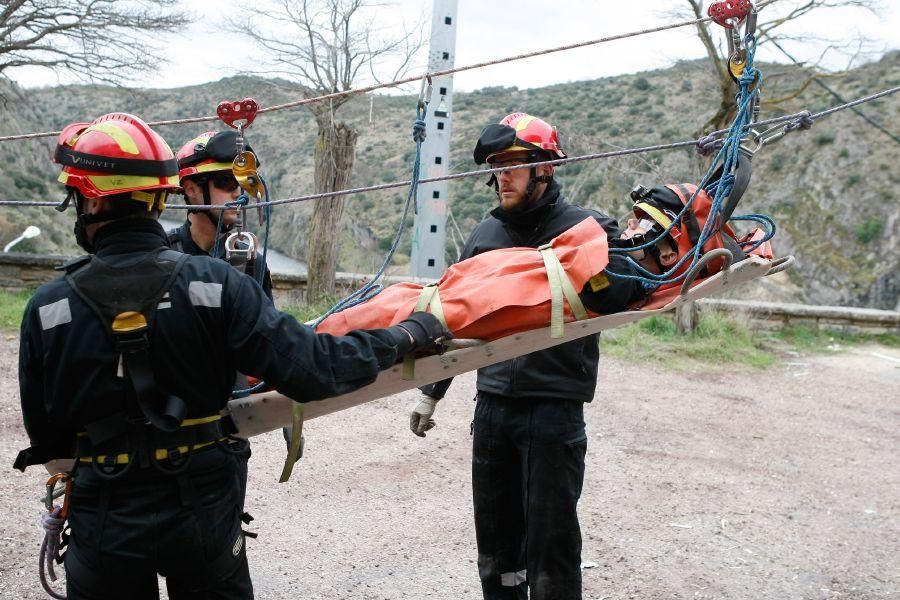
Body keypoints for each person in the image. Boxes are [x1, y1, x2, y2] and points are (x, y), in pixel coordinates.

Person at [13, 112, 448, 599]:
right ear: (163, 195)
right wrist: (407, 334)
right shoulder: (218, 286)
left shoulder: (49, 308)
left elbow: (47, 439)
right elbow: (314, 368)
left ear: (88, 198)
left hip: (103, 519)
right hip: (200, 507)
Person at [410, 113, 640, 600]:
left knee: (551, 545)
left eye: (513, 164)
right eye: (496, 166)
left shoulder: (587, 229)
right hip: (492, 408)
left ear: (546, 168)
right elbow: (454, 320)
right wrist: (432, 393)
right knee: (496, 544)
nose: (501, 177)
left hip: (553, 410)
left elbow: (625, 292)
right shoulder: (483, 238)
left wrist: (613, 258)